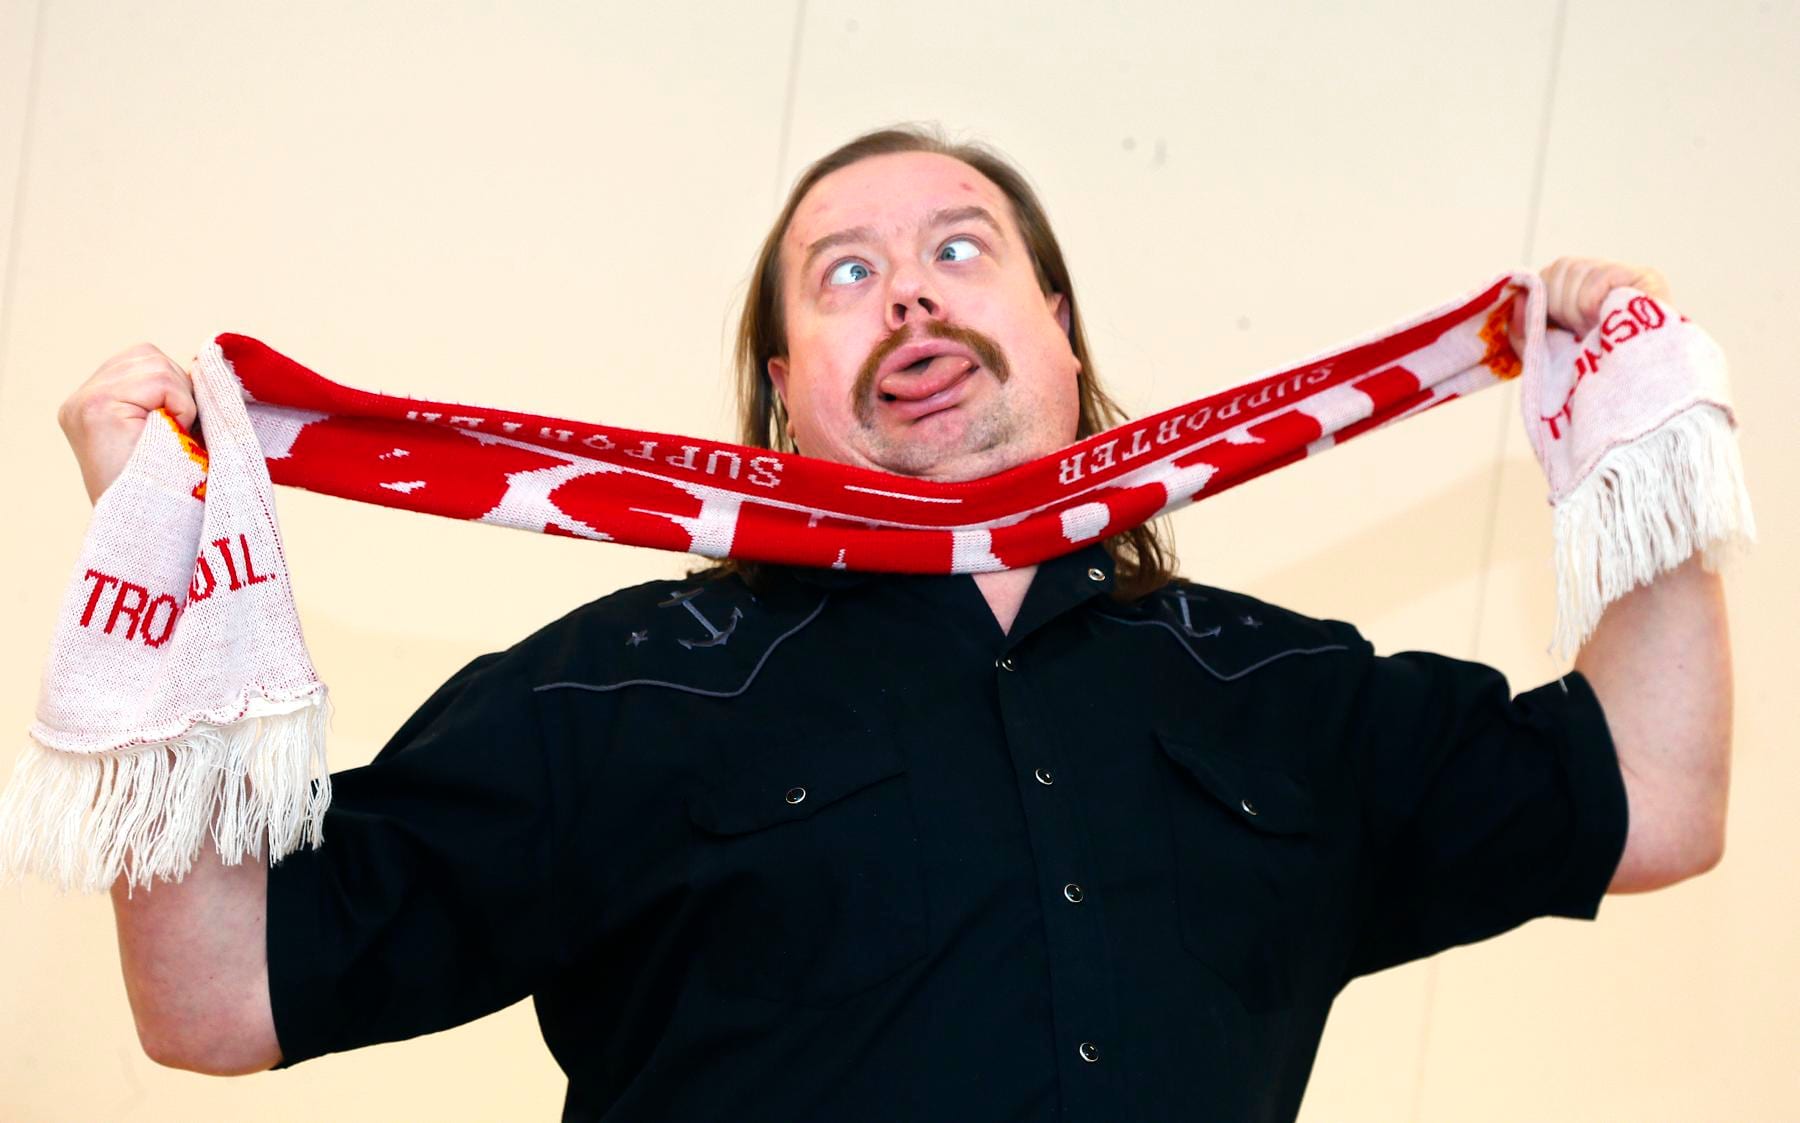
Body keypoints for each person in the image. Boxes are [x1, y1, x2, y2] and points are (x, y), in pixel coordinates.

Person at [60, 126, 1730, 1121]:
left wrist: (1640, 424)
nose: (913, 291)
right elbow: (217, 999)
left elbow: (1653, 797)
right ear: (785, 386)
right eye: (847, 274)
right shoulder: (623, 689)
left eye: (958, 250)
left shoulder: (1278, 691)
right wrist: (160, 545)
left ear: (1059, 330)